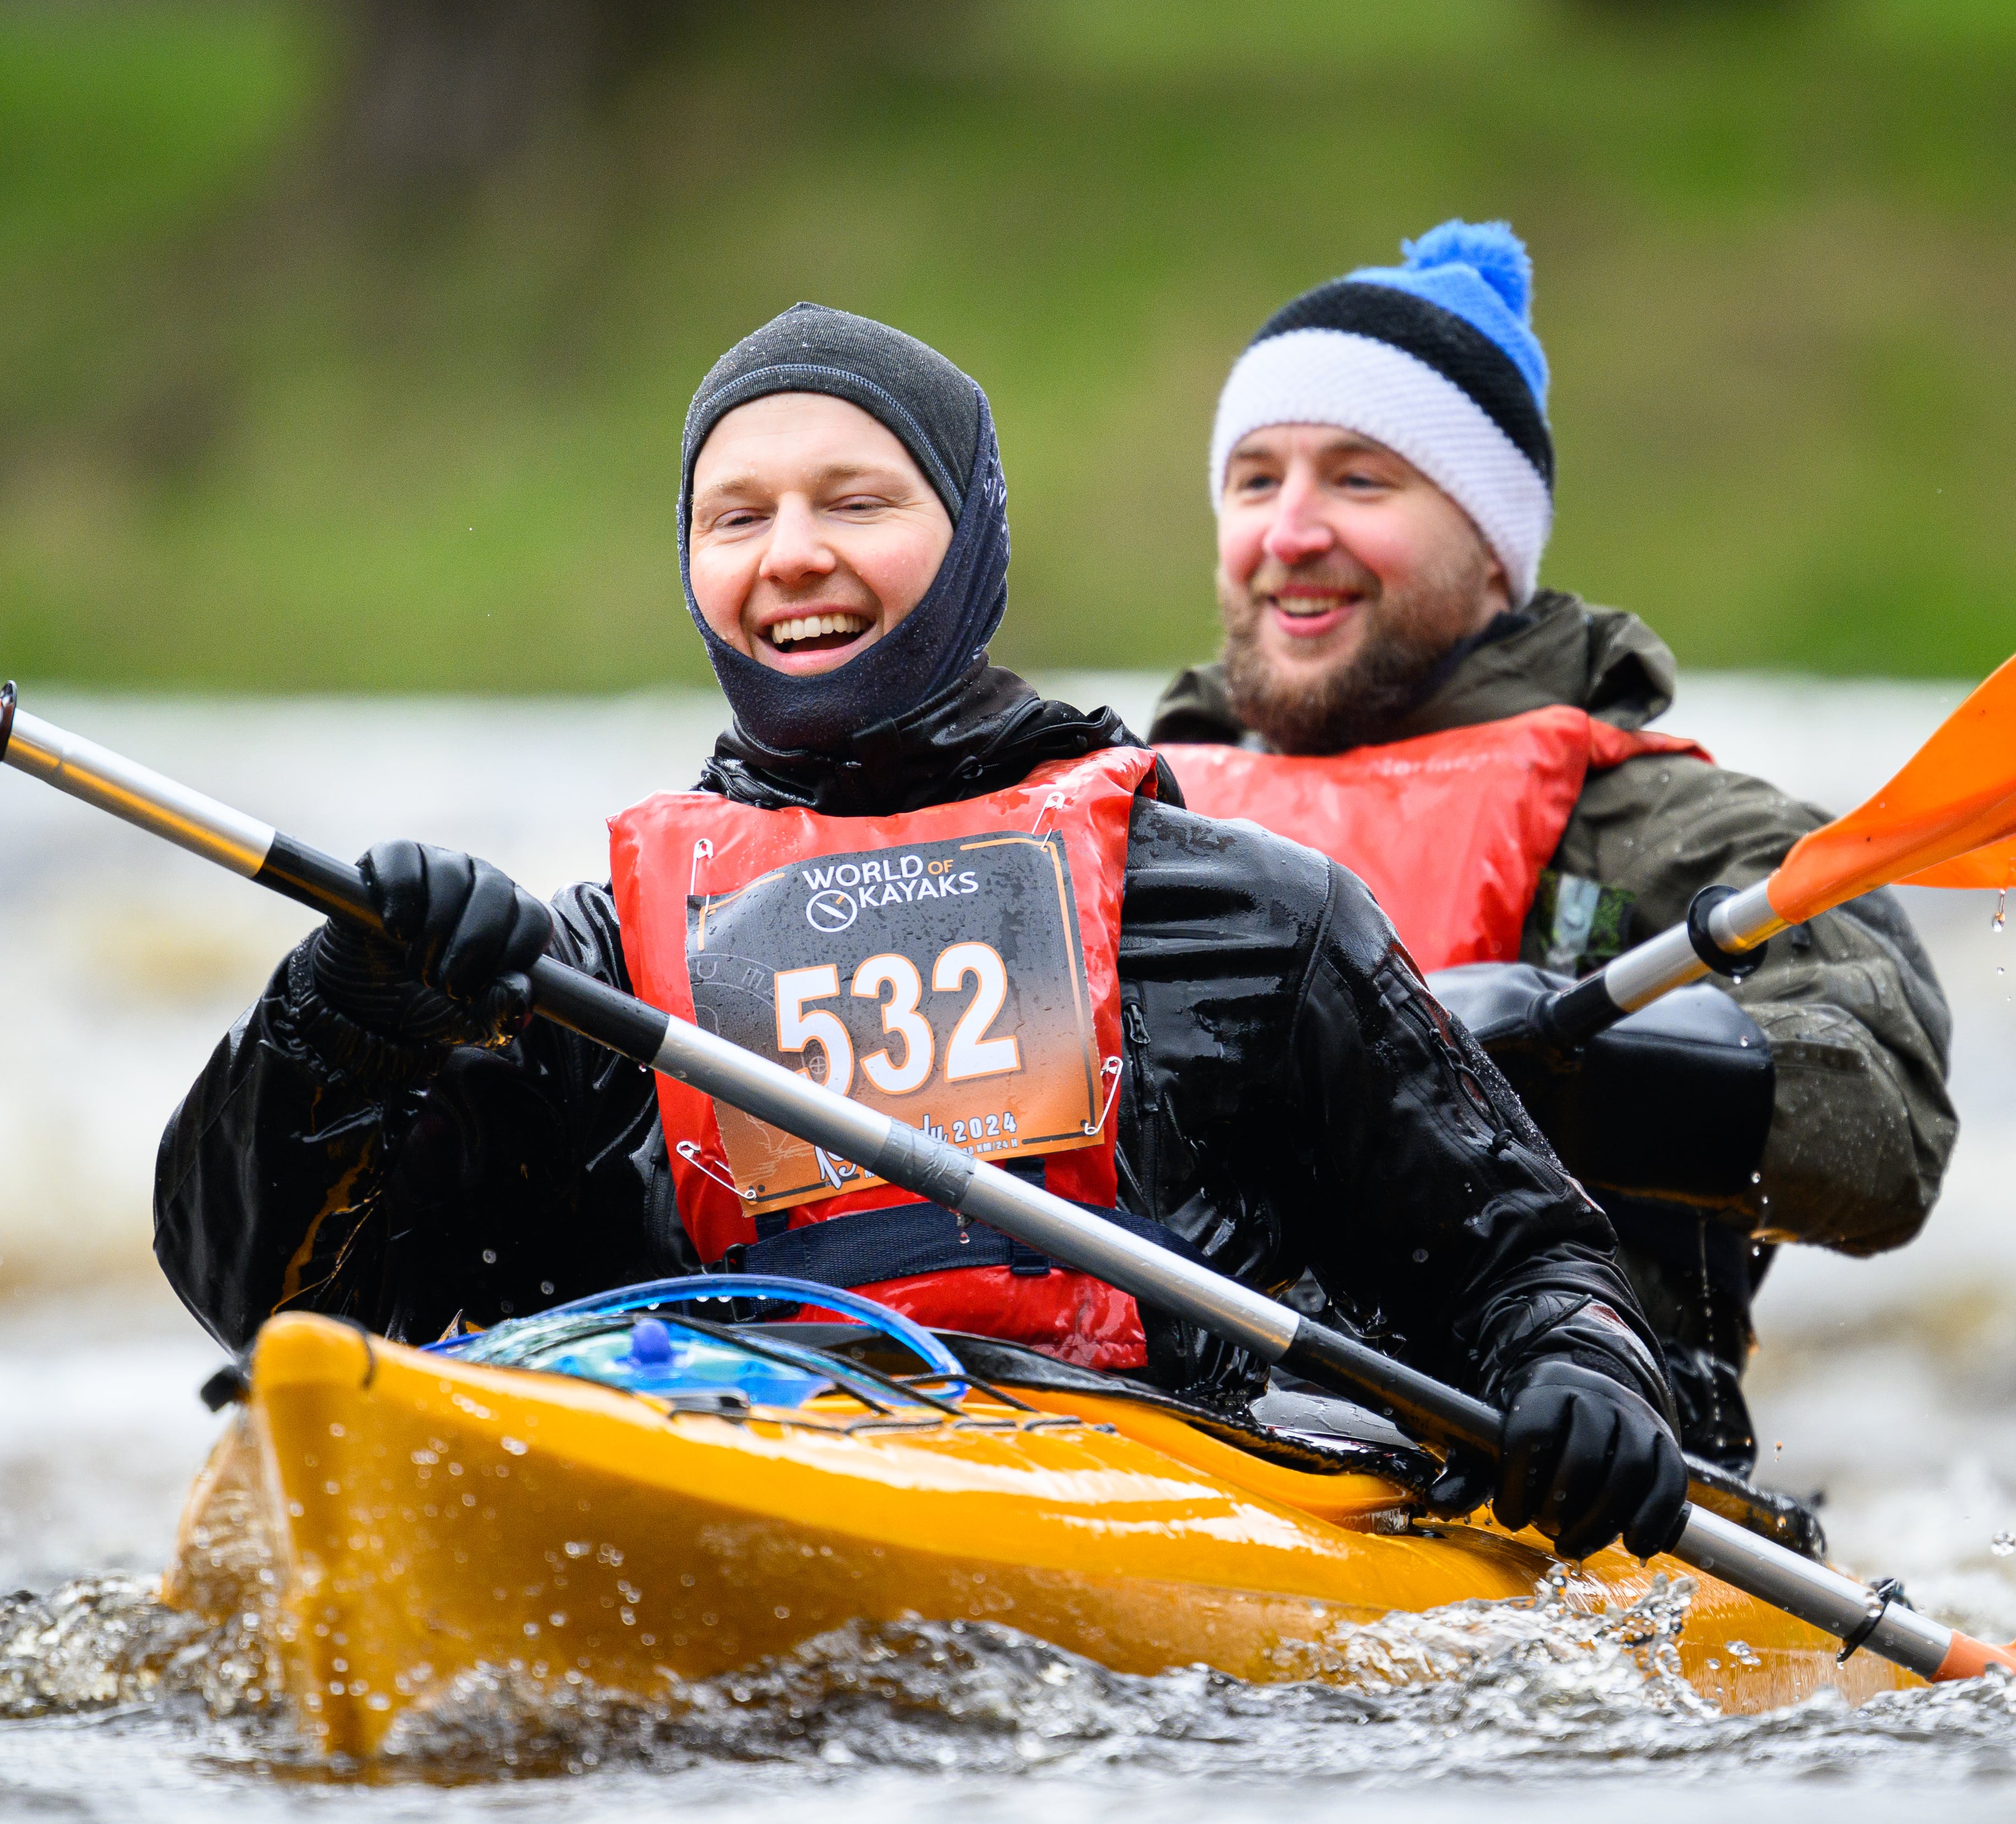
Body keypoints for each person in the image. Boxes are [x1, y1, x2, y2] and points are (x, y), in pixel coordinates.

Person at [154, 303, 1691, 1561]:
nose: (792, 555)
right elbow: (269, 1301)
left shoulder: (1239, 912)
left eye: (857, 503)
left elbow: (1522, 1252)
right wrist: (351, 1006)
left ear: (968, 551)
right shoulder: (591, 972)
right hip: (724, 1462)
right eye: (736, 516)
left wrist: (1585, 1368)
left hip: (1160, 1527)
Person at [1149, 223, 1957, 1476]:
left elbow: (1889, 1134)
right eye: (1254, 481)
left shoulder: (1678, 835)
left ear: (1490, 547)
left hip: (1569, 1461)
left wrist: (1584, 1062)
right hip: (1175, 1433)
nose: (1289, 532)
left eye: (1361, 481)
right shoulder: (1137, 829)